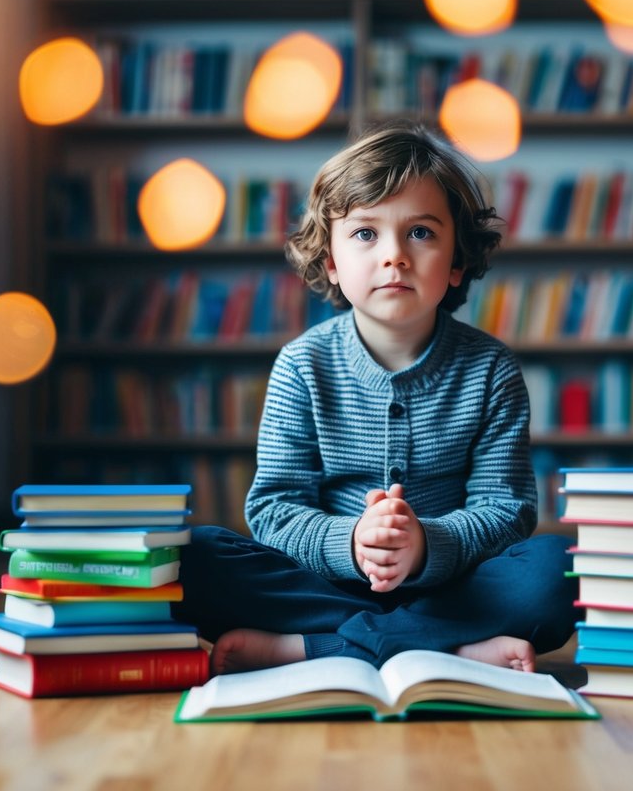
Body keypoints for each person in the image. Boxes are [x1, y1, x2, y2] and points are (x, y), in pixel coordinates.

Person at [173, 122, 575, 674]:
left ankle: (312, 648)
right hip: (325, 582)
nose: (394, 256)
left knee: (558, 571)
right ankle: (447, 648)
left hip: (453, 588)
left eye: (421, 233)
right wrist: (353, 540)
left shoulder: (490, 369)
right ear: (332, 260)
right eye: (366, 234)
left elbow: (506, 512)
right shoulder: (302, 366)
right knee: (189, 558)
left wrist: (426, 544)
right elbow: (273, 510)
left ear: (457, 261)